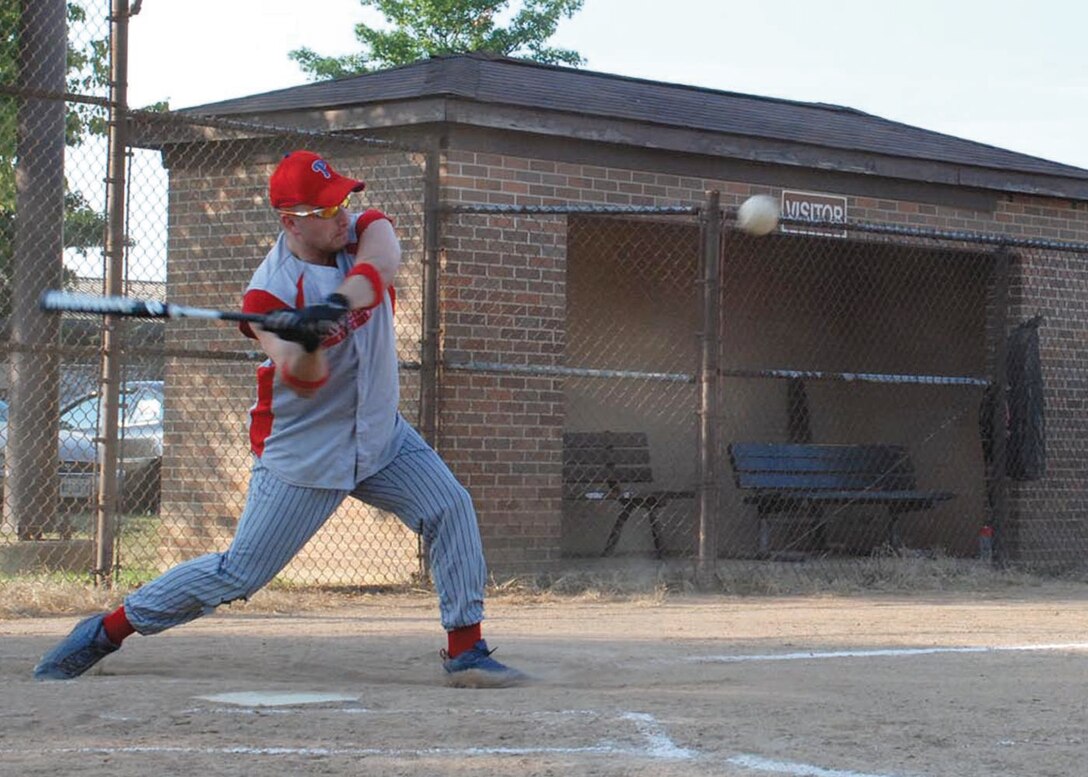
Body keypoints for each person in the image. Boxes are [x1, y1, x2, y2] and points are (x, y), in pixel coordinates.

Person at [34, 150, 526, 689]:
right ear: (291, 221)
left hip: (381, 436)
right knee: (239, 574)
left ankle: (465, 651)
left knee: (450, 506)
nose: (342, 213)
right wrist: (306, 341)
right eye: (326, 209)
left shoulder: (364, 229)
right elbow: (303, 378)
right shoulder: (267, 293)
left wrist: (333, 306)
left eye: (342, 199)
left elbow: (380, 267)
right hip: (304, 451)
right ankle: (106, 630)